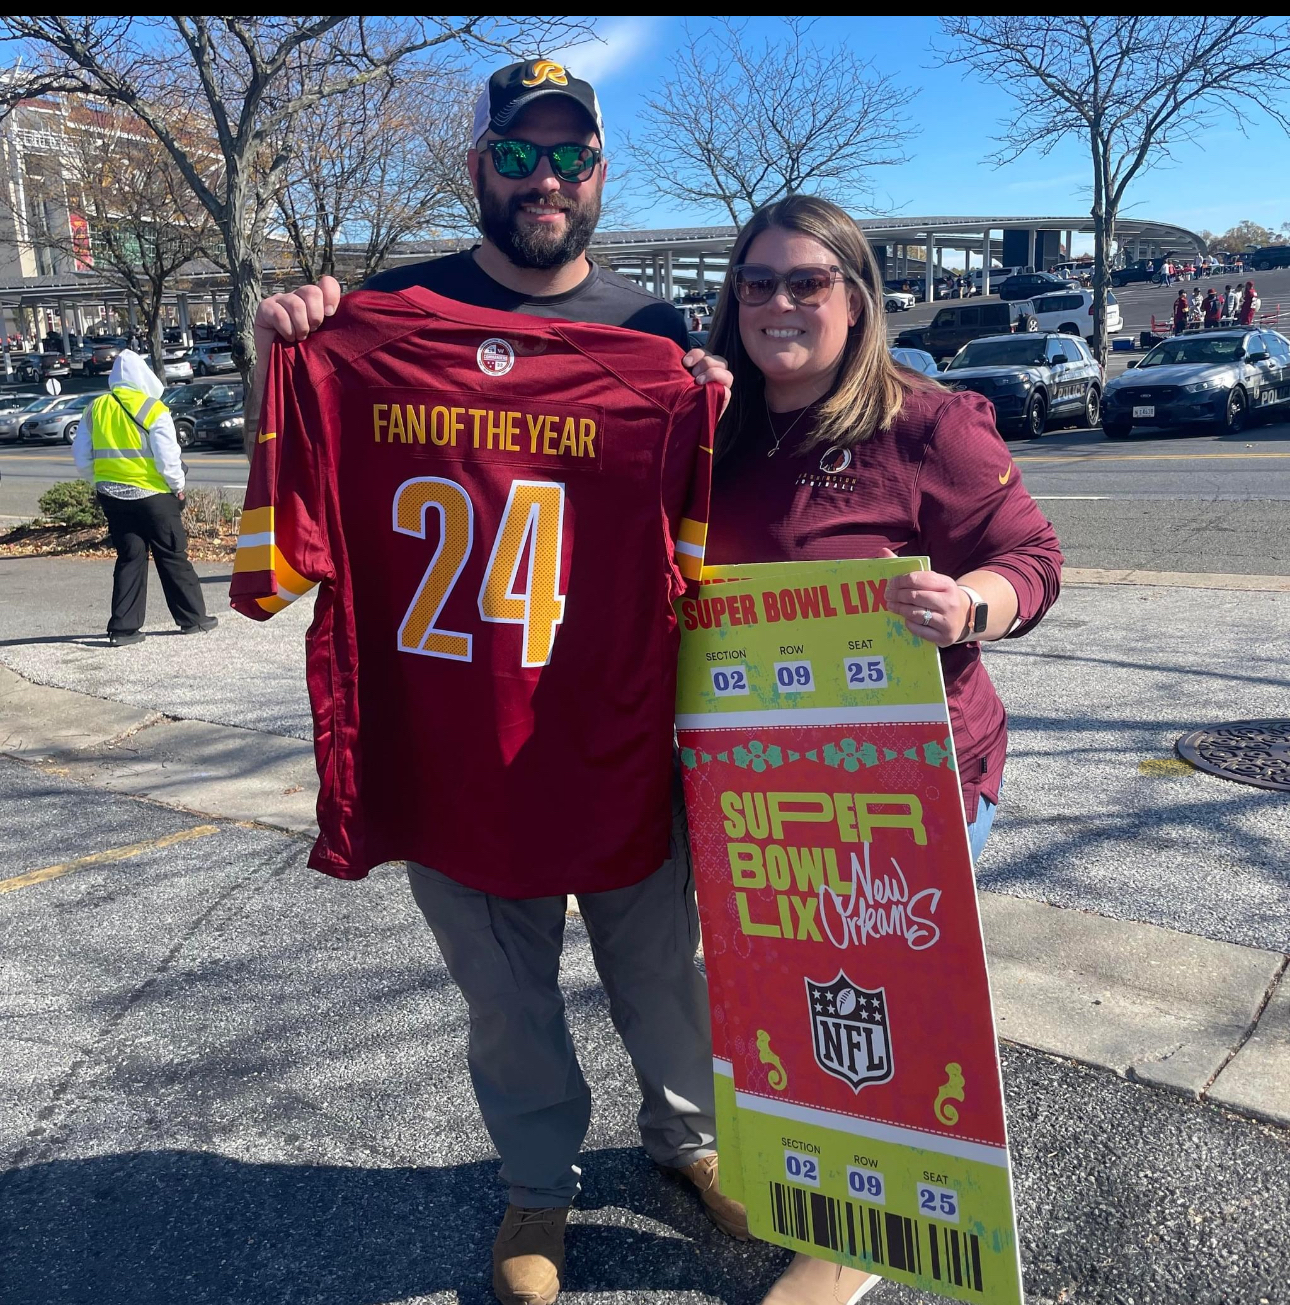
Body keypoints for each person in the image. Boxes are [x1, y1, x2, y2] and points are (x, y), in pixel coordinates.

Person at [245, 59, 775, 1305]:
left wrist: (710, 407)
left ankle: (688, 1139)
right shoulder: (376, 321)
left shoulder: (656, 339)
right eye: (520, 156)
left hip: (617, 727)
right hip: (455, 738)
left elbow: (717, 536)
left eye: (569, 158)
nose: (546, 179)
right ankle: (538, 1187)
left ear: (599, 174)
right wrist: (280, 347)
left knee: (662, 971)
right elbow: (289, 541)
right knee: (505, 997)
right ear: (478, 165)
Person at [699, 193, 1061, 1302]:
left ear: (857, 297)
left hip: (913, 777)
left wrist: (970, 606)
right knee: (770, 990)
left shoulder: (928, 424)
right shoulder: (708, 425)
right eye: (756, 282)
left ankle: (863, 1233)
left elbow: (1031, 556)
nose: (778, 302)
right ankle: (799, 1168)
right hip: (753, 784)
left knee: (872, 995)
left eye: (807, 280)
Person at [71, 350, 217, 645]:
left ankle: (123, 630)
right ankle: (193, 619)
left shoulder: (95, 408)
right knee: (173, 555)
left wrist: (100, 481)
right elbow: (167, 456)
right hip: (154, 496)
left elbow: (81, 456)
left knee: (129, 557)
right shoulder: (154, 408)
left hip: (112, 496)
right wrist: (177, 485)